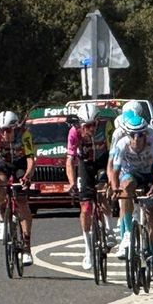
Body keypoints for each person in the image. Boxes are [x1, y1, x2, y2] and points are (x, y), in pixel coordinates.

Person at [106, 108, 153, 262]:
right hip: (130, 173)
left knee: (152, 217)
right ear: (128, 135)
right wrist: (115, 188)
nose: (137, 139)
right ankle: (127, 233)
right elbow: (115, 170)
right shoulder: (121, 143)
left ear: (145, 134)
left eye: (140, 135)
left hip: (149, 175)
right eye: (133, 135)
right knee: (126, 186)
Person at [0, 109, 36, 265]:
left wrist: (27, 176)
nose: (5, 134)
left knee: (22, 201)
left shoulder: (24, 135)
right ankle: (1, 216)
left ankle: (26, 247)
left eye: (8, 130)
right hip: (5, 164)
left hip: (21, 165)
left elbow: (31, 161)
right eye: (2, 130)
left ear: (16, 127)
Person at [64, 103, 110, 269]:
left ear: (99, 122)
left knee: (104, 190)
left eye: (93, 125)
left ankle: (109, 229)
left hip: (104, 161)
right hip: (85, 164)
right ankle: (88, 250)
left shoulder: (106, 127)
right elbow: (69, 160)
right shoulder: (74, 132)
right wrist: (71, 182)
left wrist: (112, 179)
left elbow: (113, 155)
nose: (90, 129)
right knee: (85, 208)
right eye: (86, 126)